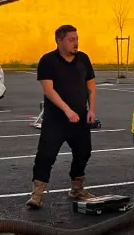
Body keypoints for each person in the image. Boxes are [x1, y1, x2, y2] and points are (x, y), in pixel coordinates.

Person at [26, 25, 97, 208]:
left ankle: (77, 189)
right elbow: (49, 91)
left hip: (80, 118)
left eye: (77, 38)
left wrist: (92, 109)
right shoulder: (48, 61)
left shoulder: (83, 59)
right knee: (46, 155)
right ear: (59, 40)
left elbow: (91, 85)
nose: (76, 43)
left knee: (83, 153)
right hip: (56, 119)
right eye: (71, 39)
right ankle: (37, 194)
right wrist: (67, 110)